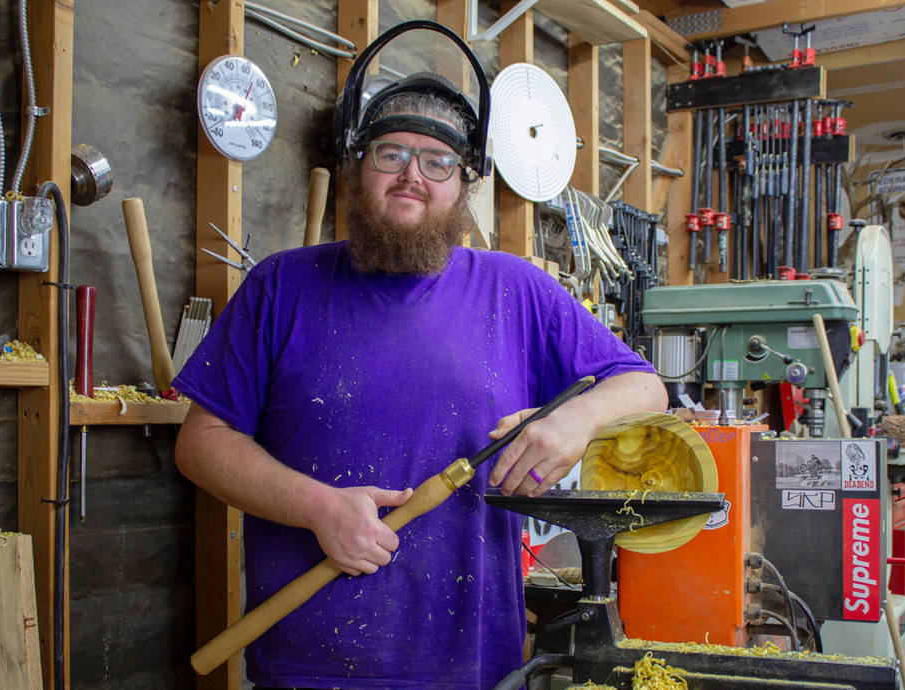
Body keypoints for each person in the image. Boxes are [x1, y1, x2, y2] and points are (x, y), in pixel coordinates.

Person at [173, 34, 667, 689]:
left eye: (438, 161)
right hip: (310, 665)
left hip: (472, 665)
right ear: (354, 168)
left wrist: (577, 420)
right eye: (391, 153)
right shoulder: (279, 287)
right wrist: (318, 508)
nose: (413, 175)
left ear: (466, 182)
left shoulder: (514, 291)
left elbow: (645, 388)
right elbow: (200, 444)